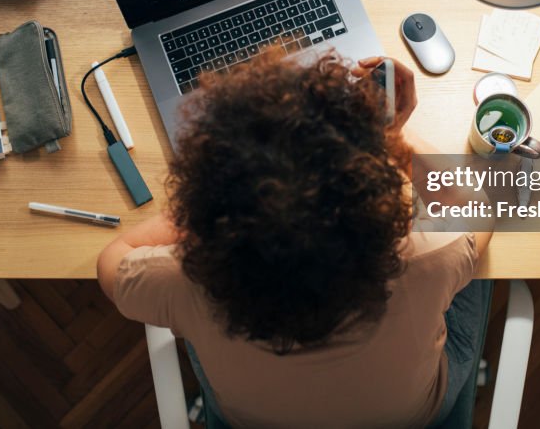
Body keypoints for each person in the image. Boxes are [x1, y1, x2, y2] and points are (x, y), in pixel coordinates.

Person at [98, 50, 492, 428]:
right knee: (473, 269)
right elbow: (479, 207)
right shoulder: (427, 256)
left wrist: (205, 203)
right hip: (412, 416)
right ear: (372, 199)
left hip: (252, 421)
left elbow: (112, 259)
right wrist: (392, 142)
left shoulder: (183, 281)